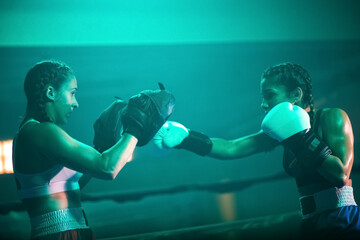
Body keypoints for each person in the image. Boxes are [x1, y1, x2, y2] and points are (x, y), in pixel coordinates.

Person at [153, 62, 360, 239]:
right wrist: (187, 139)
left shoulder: (331, 117)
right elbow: (232, 147)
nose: (263, 104)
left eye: (269, 95)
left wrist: (301, 136)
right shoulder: (279, 132)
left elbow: (340, 174)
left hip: (342, 217)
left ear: (296, 94)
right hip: (310, 221)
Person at [12, 60, 175, 240]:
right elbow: (107, 168)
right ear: (51, 92)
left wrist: (103, 147)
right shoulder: (41, 131)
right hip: (60, 233)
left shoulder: (28, 133)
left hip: (66, 231)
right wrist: (136, 127)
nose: (76, 103)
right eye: (72, 93)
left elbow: (67, 186)